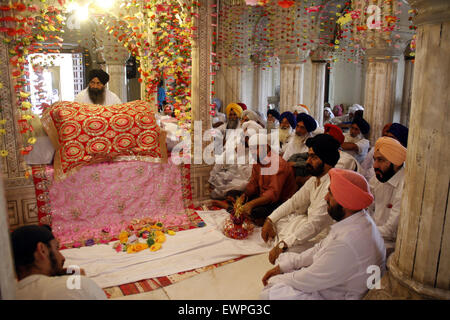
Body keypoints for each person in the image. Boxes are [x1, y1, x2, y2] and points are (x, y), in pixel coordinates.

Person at [260, 168, 386, 300]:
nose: (326, 197)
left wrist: (278, 278)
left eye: (331, 193)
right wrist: (284, 267)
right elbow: (320, 247)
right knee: (285, 262)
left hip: (339, 294)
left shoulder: (347, 242)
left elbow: (310, 279)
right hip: (334, 280)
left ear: (345, 201)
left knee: (269, 293)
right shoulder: (359, 219)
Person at [261, 134, 340, 264]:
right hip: (308, 226)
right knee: (278, 221)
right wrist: (270, 219)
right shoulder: (314, 180)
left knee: (286, 255)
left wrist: (283, 244)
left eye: (313, 157)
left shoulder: (332, 186)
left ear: (326, 160)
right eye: (309, 156)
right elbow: (294, 202)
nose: (308, 161)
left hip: (321, 237)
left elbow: (315, 225)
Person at [11, 225, 107, 300]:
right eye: (56, 248)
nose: (62, 258)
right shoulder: (78, 287)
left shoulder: (11, 295)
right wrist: (82, 281)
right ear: (42, 250)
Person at [240, 133, 297, 226]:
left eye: (256, 149)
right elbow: (253, 184)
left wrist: (251, 204)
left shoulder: (278, 164)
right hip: (263, 196)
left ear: (266, 147)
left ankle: (260, 218)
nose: (253, 152)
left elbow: (273, 195)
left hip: (280, 202)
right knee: (233, 195)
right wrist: (244, 195)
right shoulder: (258, 161)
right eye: (251, 149)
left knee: (255, 211)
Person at [369, 137, 407, 255]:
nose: (374, 165)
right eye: (375, 160)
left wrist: (362, 231)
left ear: (396, 163)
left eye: (380, 160)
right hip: (372, 236)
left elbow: (390, 231)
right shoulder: (376, 180)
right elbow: (367, 210)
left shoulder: (405, 186)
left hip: (391, 247)